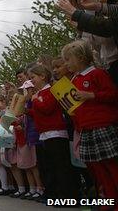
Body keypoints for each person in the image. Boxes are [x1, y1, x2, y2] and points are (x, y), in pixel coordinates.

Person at [62, 40, 118, 204]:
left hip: (102, 125)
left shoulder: (97, 74)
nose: (66, 64)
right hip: (85, 128)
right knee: (97, 169)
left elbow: (113, 94)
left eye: (68, 59)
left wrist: (92, 95)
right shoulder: (73, 81)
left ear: (80, 57)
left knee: (111, 166)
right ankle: (108, 199)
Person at [27, 64, 79, 201]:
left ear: (43, 76)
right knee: (49, 167)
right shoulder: (39, 94)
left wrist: (35, 101)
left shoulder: (50, 91)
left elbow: (47, 108)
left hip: (56, 132)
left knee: (61, 167)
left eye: (33, 77)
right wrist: (28, 111)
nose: (32, 81)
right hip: (45, 134)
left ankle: (67, 196)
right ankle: (53, 194)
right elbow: (40, 113)